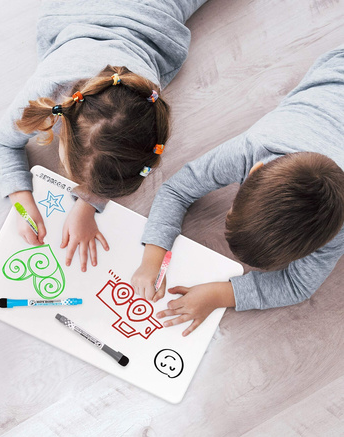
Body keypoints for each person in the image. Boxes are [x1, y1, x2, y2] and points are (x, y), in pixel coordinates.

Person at [131, 45, 344, 336]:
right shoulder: (252, 148)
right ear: (254, 171)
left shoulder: (338, 225)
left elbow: (297, 285)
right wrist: (152, 259)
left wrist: (220, 294)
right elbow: (177, 190)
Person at [0, 0, 208, 271]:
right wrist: (21, 201)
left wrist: (87, 206)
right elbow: (1, 142)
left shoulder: (146, 104)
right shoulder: (47, 89)